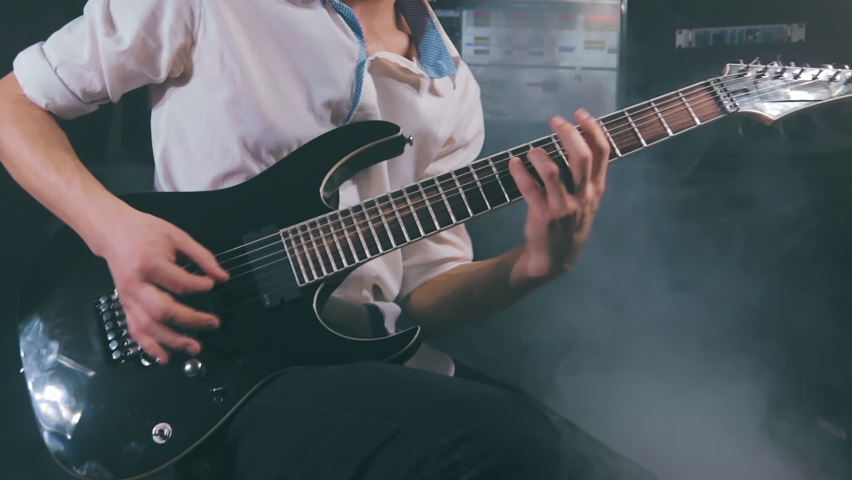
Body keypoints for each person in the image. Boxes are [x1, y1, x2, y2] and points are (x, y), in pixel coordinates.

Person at [0, 0, 658, 479]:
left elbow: (424, 292)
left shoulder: (452, 86)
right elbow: (12, 105)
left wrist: (537, 264)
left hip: (360, 364)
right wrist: (113, 229)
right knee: (504, 445)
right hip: (216, 370)